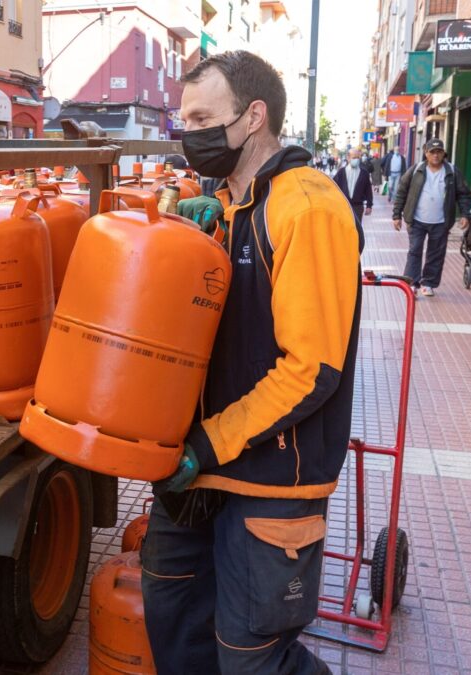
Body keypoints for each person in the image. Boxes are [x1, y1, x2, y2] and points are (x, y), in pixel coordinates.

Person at [149, 49, 361, 674]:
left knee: (252, 660)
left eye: (202, 117)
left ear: (252, 118)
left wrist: (208, 444)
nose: (189, 133)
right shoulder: (226, 206)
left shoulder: (308, 208)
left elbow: (312, 369)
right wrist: (192, 241)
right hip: (195, 472)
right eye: (182, 119)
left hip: (267, 480)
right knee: (176, 632)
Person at [392, 138, 471, 296]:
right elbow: (402, 191)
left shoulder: (452, 171)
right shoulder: (416, 170)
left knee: (436, 253)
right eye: (432, 152)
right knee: (414, 250)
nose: (436, 155)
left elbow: (463, 194)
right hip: (417, 219)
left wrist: (464, 214)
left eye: (439, 152)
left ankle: (428, 283)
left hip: (441, 221)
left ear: (443, 154)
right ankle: (412, 283)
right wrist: (397, 215)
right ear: (426, 153)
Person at [333, 147, 374, 229]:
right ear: (348, 158)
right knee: (344, 228)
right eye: (354, 157)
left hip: (358, 207)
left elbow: (368, 190)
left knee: (356, 229)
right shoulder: (341, 172)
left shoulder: (364, 173)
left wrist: (369, 205)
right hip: (343, 206)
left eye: (358, 158)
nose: (356, 160)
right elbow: (334, 188)